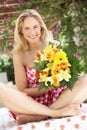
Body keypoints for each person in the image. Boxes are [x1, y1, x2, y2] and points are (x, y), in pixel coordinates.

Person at [0, 9, 87, 124]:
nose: (32, 32)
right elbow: (22, 90)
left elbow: (66, 74)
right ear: (21, 31)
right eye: (27, 28)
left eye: (35, 26)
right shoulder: (19, 54)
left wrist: (64, 78)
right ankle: (54, 113)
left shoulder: (53, 44)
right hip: (31, 104)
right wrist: (46, 89)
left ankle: (39, 116)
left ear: (41, 27)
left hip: (59, 99)